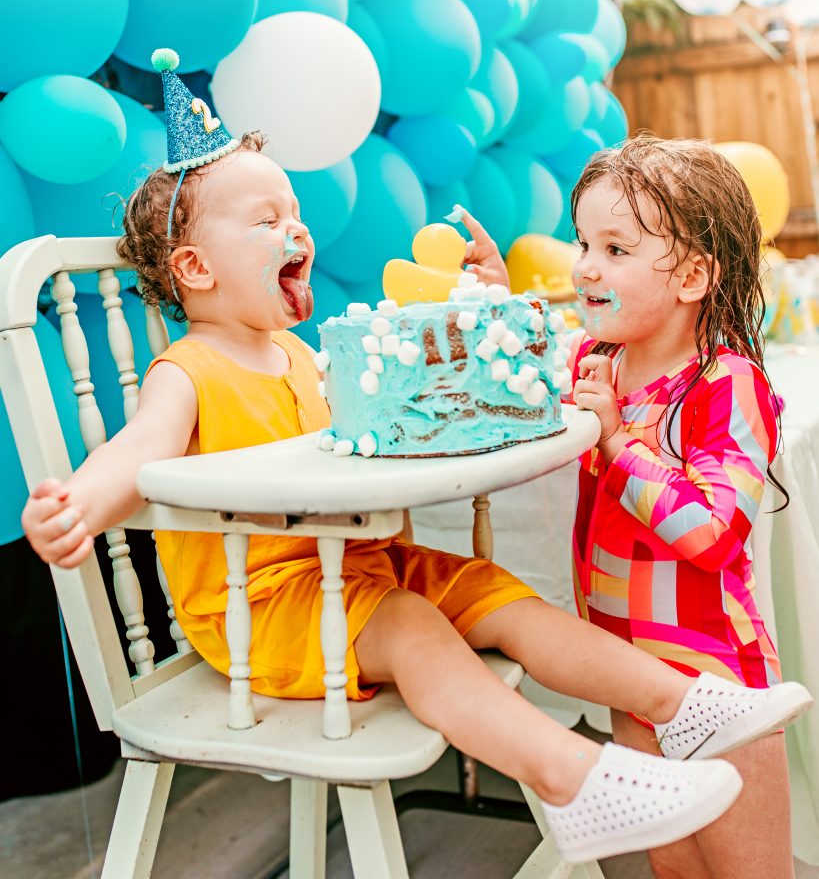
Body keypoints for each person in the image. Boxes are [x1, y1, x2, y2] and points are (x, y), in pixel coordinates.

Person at [20, 57, 810, 866]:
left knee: (494, 590)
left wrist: (482, 312)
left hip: (351, 567)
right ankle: (571, 776)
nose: (296, 230)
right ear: (193, 268)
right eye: (266, 221)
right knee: (411, 625)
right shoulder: (186, 372)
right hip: (262, 605)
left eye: (294, 213)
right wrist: (77, 506)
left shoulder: (302, 356)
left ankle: (685, 702)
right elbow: (137, 450)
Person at [468, 134, 813, 878]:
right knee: (675, 871)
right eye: (582, 241)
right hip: (630, 678)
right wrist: (496, 297)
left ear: (691, 275)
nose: (584, 265)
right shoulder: (597, 362)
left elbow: (715, 535)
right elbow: (527, 358)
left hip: (715, 684)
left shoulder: (724, 384)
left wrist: (619, 440)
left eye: (615, 249)